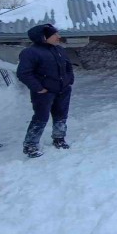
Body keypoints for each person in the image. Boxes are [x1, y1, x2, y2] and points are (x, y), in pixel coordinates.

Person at [16, 24, 74, 158]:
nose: (58, 37)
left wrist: (69, 80)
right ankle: (30, 145)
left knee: (61, 116)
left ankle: (59, 139)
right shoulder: (30, 52)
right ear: (44, 37)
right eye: (55, 35)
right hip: (44, 93)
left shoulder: (59, 49)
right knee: (40, 118)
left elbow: (68, 67)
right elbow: (24, 73)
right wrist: (39, 88)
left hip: (63, 90)